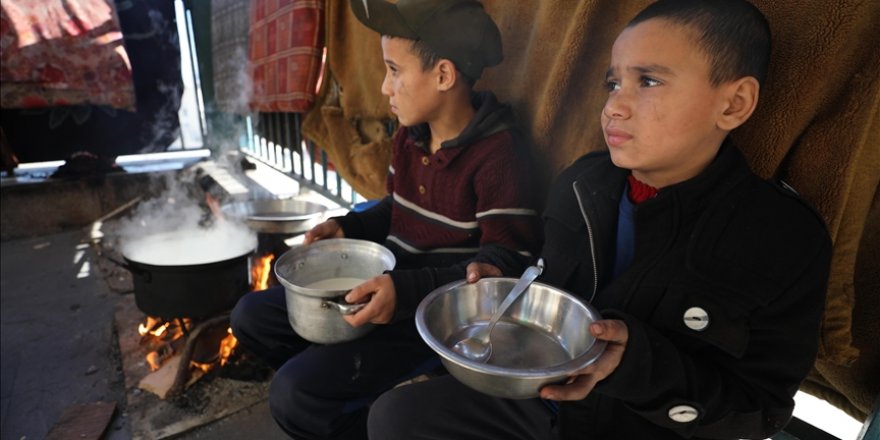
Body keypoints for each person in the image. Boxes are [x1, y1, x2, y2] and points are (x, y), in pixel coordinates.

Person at [366, 0, 833, 439]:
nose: (614, 106)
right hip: (547, 403)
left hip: (641, 424)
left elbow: (759, 409)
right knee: (396, 415)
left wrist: (638, 366)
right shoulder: (581, 185)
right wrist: (499, 278)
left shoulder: (781, 240)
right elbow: (543, 286)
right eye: (613, 83)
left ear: (733, 104)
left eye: (648, 81)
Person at [230, 0, 542, 438]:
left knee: (294, 396)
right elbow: (395, 207)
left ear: (444, 75)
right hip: (384, 289)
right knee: (251, 316)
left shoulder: (498, 156)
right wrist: (350, 227)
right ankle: (345, 388)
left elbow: (506, 264)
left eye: (394, 70)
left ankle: (356, 415)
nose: (383, 87)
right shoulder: (410, 137)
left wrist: (410, 290)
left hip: (436, 315)